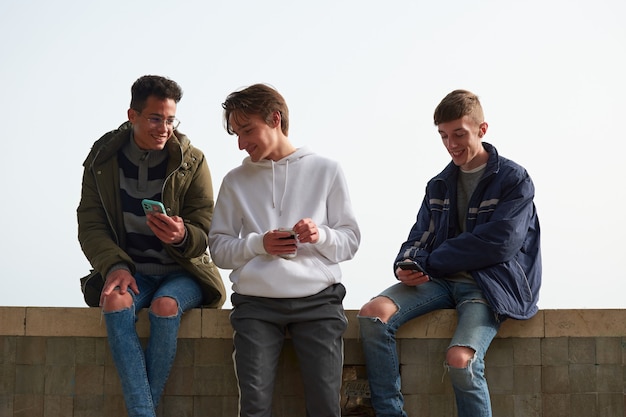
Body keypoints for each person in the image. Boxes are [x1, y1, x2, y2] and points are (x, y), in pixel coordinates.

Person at [358, 89, 541, 417]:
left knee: (461, 360)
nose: (451, 144)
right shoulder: (439, 184)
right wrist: (408, 264)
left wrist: (433, 259)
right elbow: (420, 236)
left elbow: (500, 242)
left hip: (488, 286)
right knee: (373, 313)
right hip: (439, 281)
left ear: (482, 130)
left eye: (459, 134)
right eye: (443, 136)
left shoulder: (514, 180)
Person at [77, 75, 226, 417]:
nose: (164, 128)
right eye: (155, 118)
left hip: (184, 272)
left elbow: (206, 225)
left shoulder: (193, 161)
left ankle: (141, 413)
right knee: (114, 300)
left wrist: (182, 236)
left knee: (164, 307)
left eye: (171, 119)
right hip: (132, 271)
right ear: (133, 116)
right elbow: (90, 222)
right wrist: (115, 266)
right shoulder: (102, 159)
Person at [208, 83, 361, 417]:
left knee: (325, 408)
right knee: (254, 408)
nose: (241, 143)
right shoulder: (235, 181)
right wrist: (257, 244)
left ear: (275, 119)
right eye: (236, 133)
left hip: (319, 302)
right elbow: (218, 249)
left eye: (248, 130)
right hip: (256, 306)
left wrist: (319, 235)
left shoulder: (327, 169)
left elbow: (350, 241)